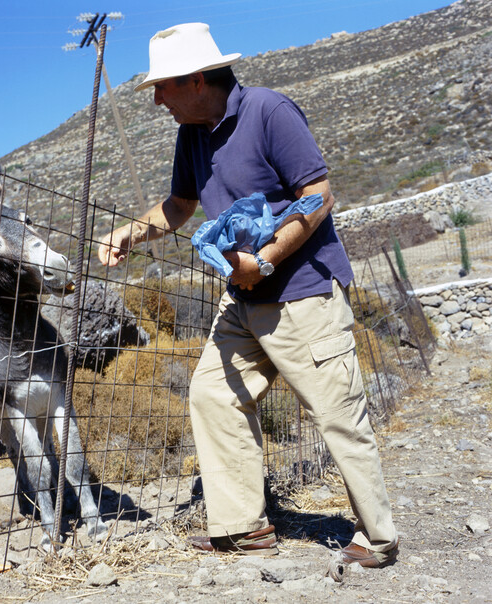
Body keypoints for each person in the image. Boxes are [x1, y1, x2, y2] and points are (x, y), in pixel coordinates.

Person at [98, 22, 398, 568]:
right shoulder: (191, 133)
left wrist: (264, 261)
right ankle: (243, 527)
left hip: (302, 294)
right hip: (242, 298)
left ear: (194, 80)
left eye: (163, 87)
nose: (157, 100)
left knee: (336, 415)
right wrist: (129, 233)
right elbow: (180, 206)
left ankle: (378, 538)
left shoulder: (269, 111)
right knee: (213, 395)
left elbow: (318, 195)